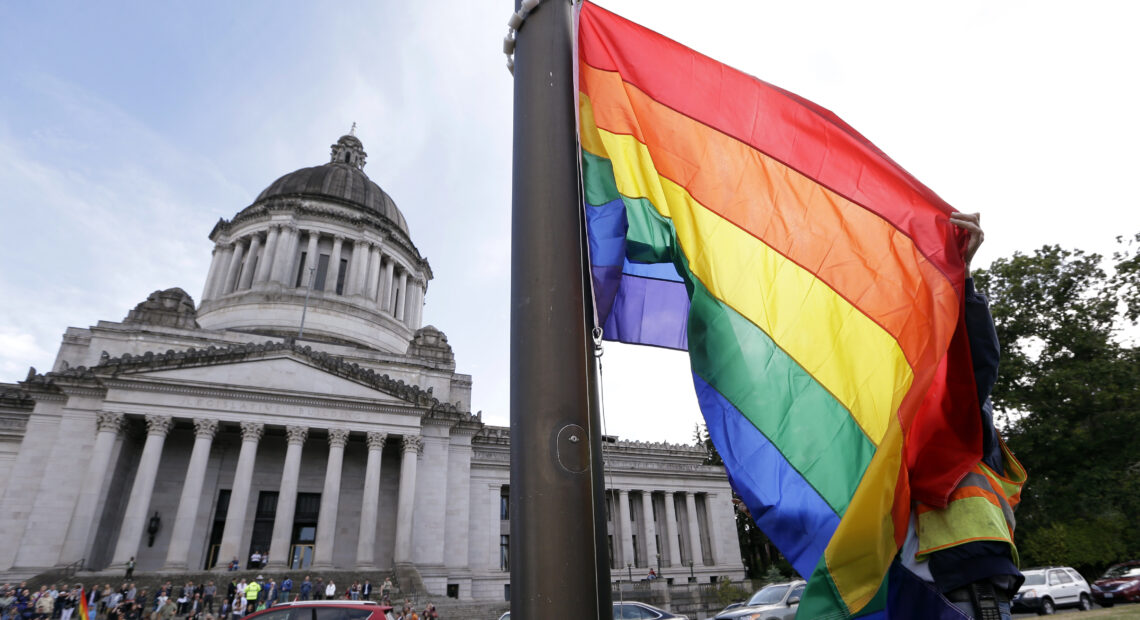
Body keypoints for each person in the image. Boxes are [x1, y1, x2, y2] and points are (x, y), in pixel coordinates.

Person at [908, 212, 1026, 620]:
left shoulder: (955, 426)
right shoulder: (888, 435)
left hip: (965, 594)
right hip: (913, 594)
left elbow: (975, 362)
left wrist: (961, 279)